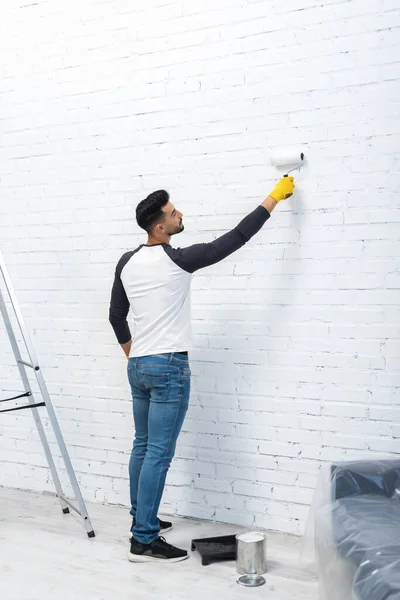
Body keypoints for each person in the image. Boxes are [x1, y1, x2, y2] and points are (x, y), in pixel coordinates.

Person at [109, 176, 295, 563]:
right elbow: (235, 238)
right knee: (158, 452)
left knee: (142, 446)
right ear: (160, 226)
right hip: (168, 366)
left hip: (140, 365)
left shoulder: (126, 262)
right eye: (174, 213)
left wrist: (133, 354)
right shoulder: (176, 259)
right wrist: (273, 198)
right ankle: (143, 540)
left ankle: (140, 520)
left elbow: (116, 316)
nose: (180, 215)